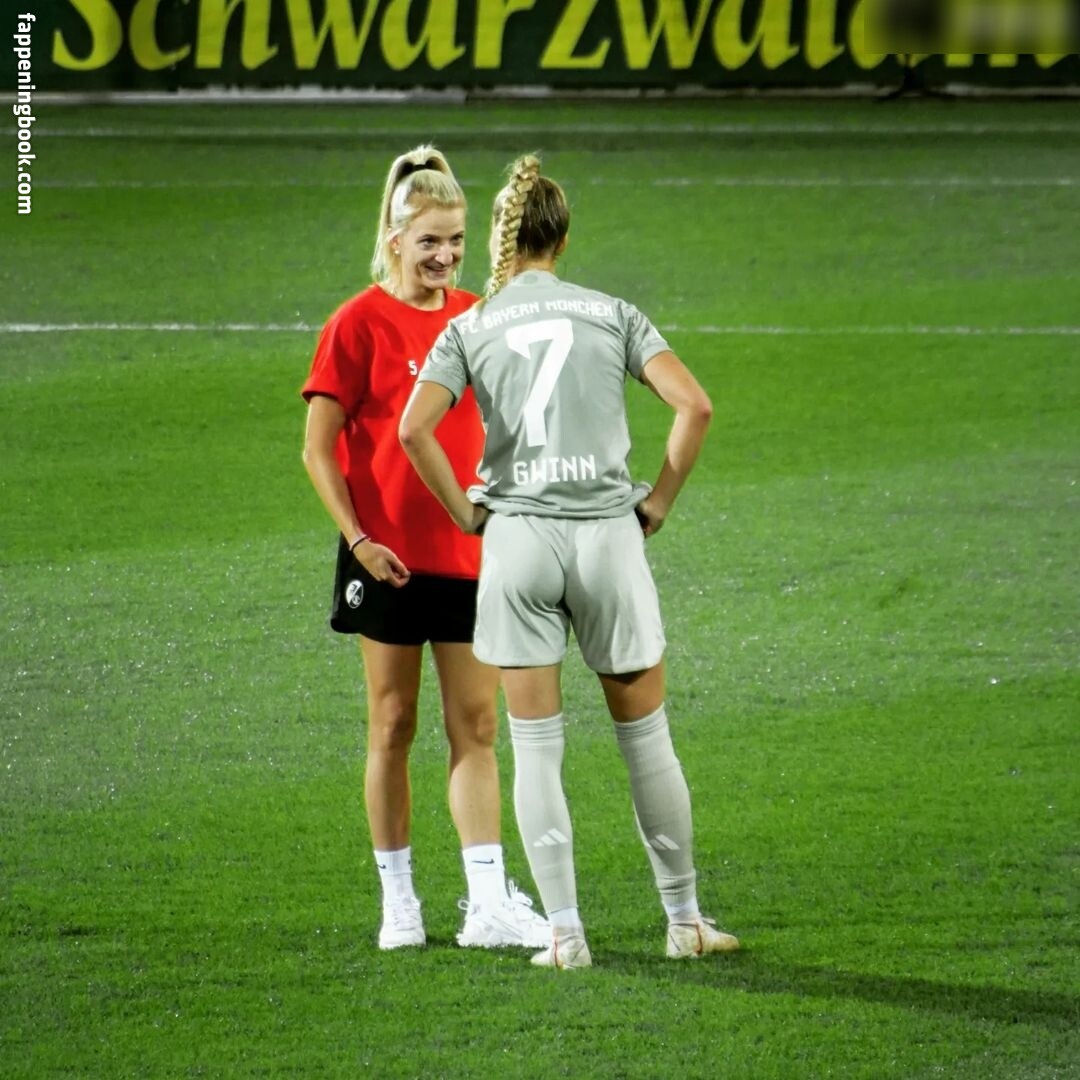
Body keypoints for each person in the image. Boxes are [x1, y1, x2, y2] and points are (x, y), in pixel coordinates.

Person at [399, 154, 741, 970]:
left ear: (501, 235)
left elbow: (414, 429)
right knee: (647, 741)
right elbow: (694, 406)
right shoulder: (611, 312)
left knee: (536, 749)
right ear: (563, 237)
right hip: (606, 538)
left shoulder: (471, 325)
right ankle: (684, 922)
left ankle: (564, 936)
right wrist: (657, 501)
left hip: (518, 541)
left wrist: (468, 514)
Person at [300, 145, 549, 952]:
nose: (445, 256)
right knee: (392, 723)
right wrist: (360, 540)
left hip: (472, 554)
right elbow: (317, 451)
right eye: (431, 240)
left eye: (457, 240)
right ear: (396, 237)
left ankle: (488, 904)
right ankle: (400, 904)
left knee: (475, 724)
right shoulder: (355, 324)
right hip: (386, 559)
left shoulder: (480, 315)